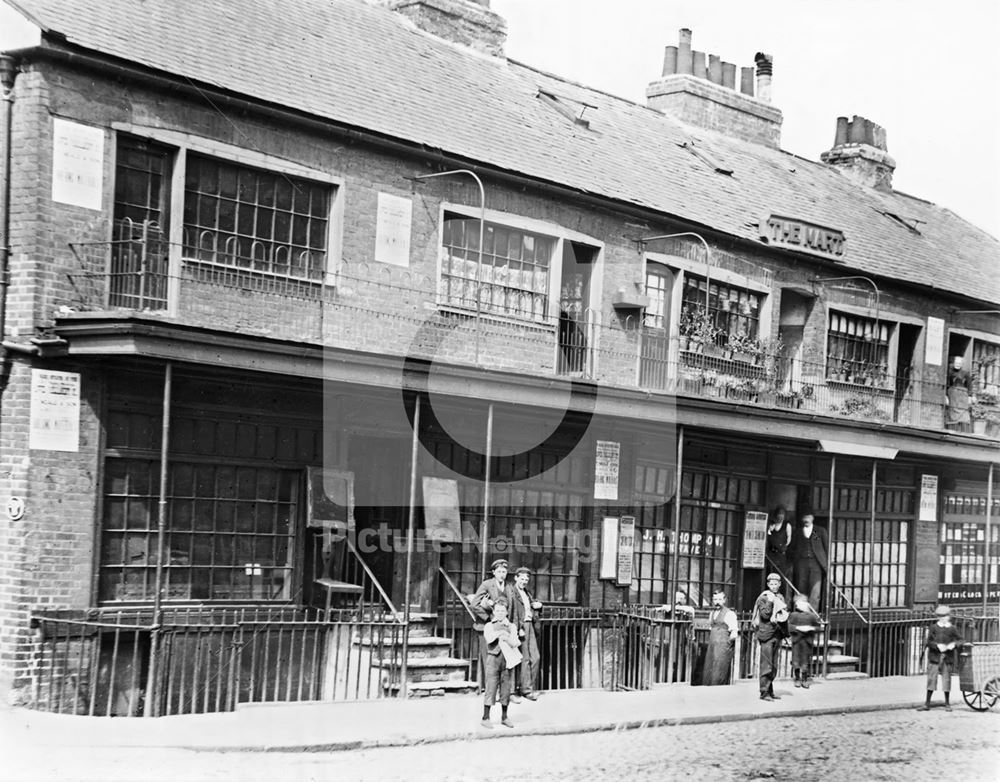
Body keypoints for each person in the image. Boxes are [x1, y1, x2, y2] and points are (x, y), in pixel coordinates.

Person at [469, 559, 515, 724]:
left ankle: (504, 712)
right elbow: (474, 604)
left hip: (506, 629)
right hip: (488, 629)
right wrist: (490, 618)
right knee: (491, 666)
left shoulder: (509, 587)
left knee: (506, 670)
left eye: (504, 571)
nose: (502, 574)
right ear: (494, 572)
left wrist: (511, 624)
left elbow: (513, 607)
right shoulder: (487, 584)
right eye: (499, 571)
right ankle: (486, 711)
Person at [479, 601, 521, 728]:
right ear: (494, 612)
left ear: (507, 612)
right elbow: (489, 638)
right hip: (493, 659)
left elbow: (516, 642)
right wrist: (499, 634)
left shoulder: (512, 626)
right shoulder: (489, 625)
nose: (500, 613)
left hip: (507, 660)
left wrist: (507, 637)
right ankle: (485, 718)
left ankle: (504, 717)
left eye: (503, 611)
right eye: (498, 611)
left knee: (506, 689)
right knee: (490, 687)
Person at [918, 604, 964, 712]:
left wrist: (954, 645)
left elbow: (961, 640)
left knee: (946, 680)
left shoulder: (952, 628)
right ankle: (927, 703)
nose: (944, 619)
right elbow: (928, 642)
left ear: (949, 617)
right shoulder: (933, 628)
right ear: (938, 617)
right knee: (931, 679)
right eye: (941, 616)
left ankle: (947, 703)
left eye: (946, 616)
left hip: (947, 657)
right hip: (935, 657)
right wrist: (937, 646)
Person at [753, 572, 788, 701]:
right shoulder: (764, 597)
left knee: (773, 666)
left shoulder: (780, 597)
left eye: (776, 584)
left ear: (779, 584)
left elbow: (783, 614)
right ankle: (763, 692)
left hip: (777, 634)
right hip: (766, 634)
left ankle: (770, 690)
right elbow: (765, 615)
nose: (774, 586)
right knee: (766, 665)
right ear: (768, 584)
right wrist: (772, 602)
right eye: (771, 584)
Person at [509, 566, 542, 701]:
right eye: (522, 579)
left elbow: (530, 606)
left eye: (526, 579)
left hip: (530, 626)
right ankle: (524, 690)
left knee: (535, 657)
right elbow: (513, 611)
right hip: (520, 627)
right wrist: (518, 628)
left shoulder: (526, 592)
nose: (524, 581)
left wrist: (538, 605)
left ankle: (526, 687)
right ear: (516, 578)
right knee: (524, 659)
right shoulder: (511, 591)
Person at [788, 514, 829, 610]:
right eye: (804, 517)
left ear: (812, 518)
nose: (806, 519)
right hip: (801, 563)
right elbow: (791, 548)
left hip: (816, 563)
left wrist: (826, 564)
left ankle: (813, 615)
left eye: (808, 517)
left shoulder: (820, 531)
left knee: (815, 590)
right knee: (801, 588)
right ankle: (801, 615)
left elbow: (826, 549)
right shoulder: (797, 532)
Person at [701, 587, 738, 686]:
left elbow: (734, 632)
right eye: (715, 599)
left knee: (719, 670)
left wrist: (726, 644)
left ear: (724, 600)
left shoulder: (729, 613)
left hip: (723, 647)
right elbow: (711, 628)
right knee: (709, 669)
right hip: (712, 646)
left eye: (720, 599)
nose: (717, 602)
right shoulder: (712, 613)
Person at [788, 594, 821, 688]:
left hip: (807, 641)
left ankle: (804, 679)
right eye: (799, 603)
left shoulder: (812, 616)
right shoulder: (794, 615)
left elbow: (818, 627)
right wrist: (798, 628)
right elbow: (788, 627)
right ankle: (797, 678)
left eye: (803, 603)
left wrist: (811, 628)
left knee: (805, 661)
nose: (801, 605)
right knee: (796, 660)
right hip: (797, 641)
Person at [765, 506, 793, 596]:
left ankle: (781, 598)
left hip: (781, 556)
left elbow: (789, 540)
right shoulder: (771, 526)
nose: (780, 516)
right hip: (771, 555)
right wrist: (770, 531)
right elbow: (768, 539)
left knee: (781, 578)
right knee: (770, 576)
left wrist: (783, 548)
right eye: (778, 514)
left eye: (782, 514)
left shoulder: (787, 526)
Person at [944, 356, 973, 432]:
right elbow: (947, 385)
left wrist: (969, 396)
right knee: (952, 413)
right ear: (954, 363)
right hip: (952, 396)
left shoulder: (965, 373)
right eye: (956, 363)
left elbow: (969, 385)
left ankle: (963, 431)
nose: (958, 364)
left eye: (959, 363)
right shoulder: (949, 373)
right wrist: (946, 396)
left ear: (962, 364)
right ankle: (952, 429)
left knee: (963, 413)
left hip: (962, 397)